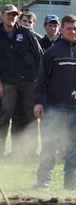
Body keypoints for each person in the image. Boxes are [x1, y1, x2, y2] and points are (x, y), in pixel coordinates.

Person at [33, 14, 76, 190]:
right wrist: (39, 103)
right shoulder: (51, 53)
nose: (73, 31)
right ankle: (43, 181)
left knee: (75, 147)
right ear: (62, 30)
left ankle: (71, 182)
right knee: (49, 145)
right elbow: (41, 81)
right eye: (69, 28)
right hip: (54, 107)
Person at [0, 4, 43, 159]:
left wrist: (39, 81)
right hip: (7, 82)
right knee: (5, 115)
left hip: (29, 82)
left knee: (28, 116)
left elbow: (40, 57)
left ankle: (26, 152)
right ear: (1, 15)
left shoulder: (26, 33)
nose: (12, 17)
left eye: (14, 15)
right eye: (8, 14)